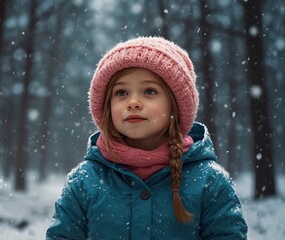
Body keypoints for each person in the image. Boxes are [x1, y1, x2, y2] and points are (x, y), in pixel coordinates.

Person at [45, 36, 247, 239]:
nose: (133, 102)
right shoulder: (85, 181)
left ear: (174, 106)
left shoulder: (209, 180)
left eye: (149, 91)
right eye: (121, 92)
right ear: (107, 107)